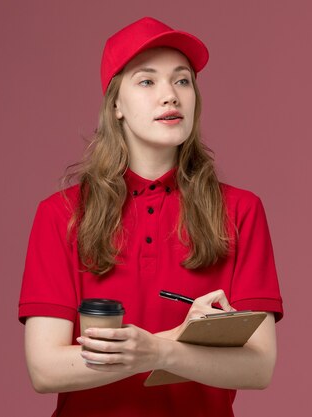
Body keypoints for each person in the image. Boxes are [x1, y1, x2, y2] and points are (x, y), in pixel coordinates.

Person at [18, 16, 283, 417]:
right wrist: (177, 340)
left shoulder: (242, 211)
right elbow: (46, 368)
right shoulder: (61, 215)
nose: (170, 95)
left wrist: (158, 350)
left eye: (182, 81)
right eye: (147, 81)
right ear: (116, 105)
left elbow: (259, 365)